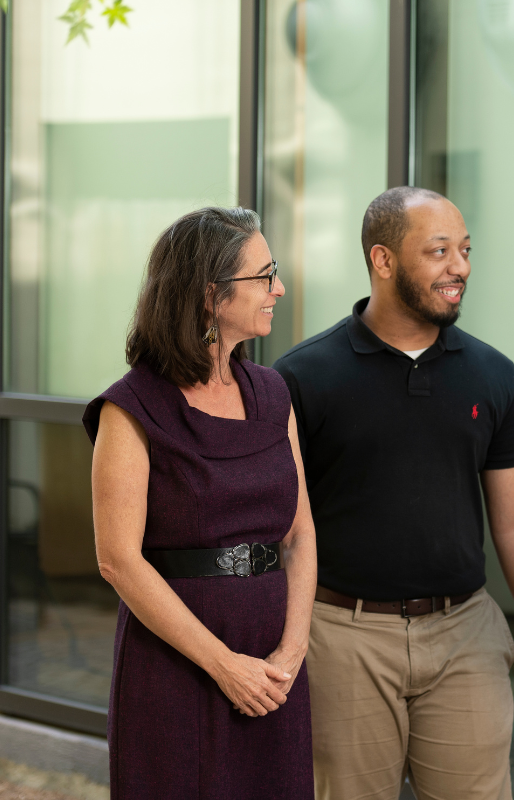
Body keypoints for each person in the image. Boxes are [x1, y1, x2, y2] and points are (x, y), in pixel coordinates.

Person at [273, 186, 514, 800]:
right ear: (382, 261)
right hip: (342, 638)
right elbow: (281, 531)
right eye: (439, 251)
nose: (459, 267)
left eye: (464, 250)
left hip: (465, 633)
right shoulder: (303, 378)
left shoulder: (494, 376)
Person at [83, 207, 317, 799]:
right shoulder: (131, 406)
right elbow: (117, 560)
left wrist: (293, 647)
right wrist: (223, 665)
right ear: (211, 295)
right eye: (264, 276)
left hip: (274, 660)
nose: (278, 289)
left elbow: (301, 533)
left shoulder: (271, 391)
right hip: (177, 658)